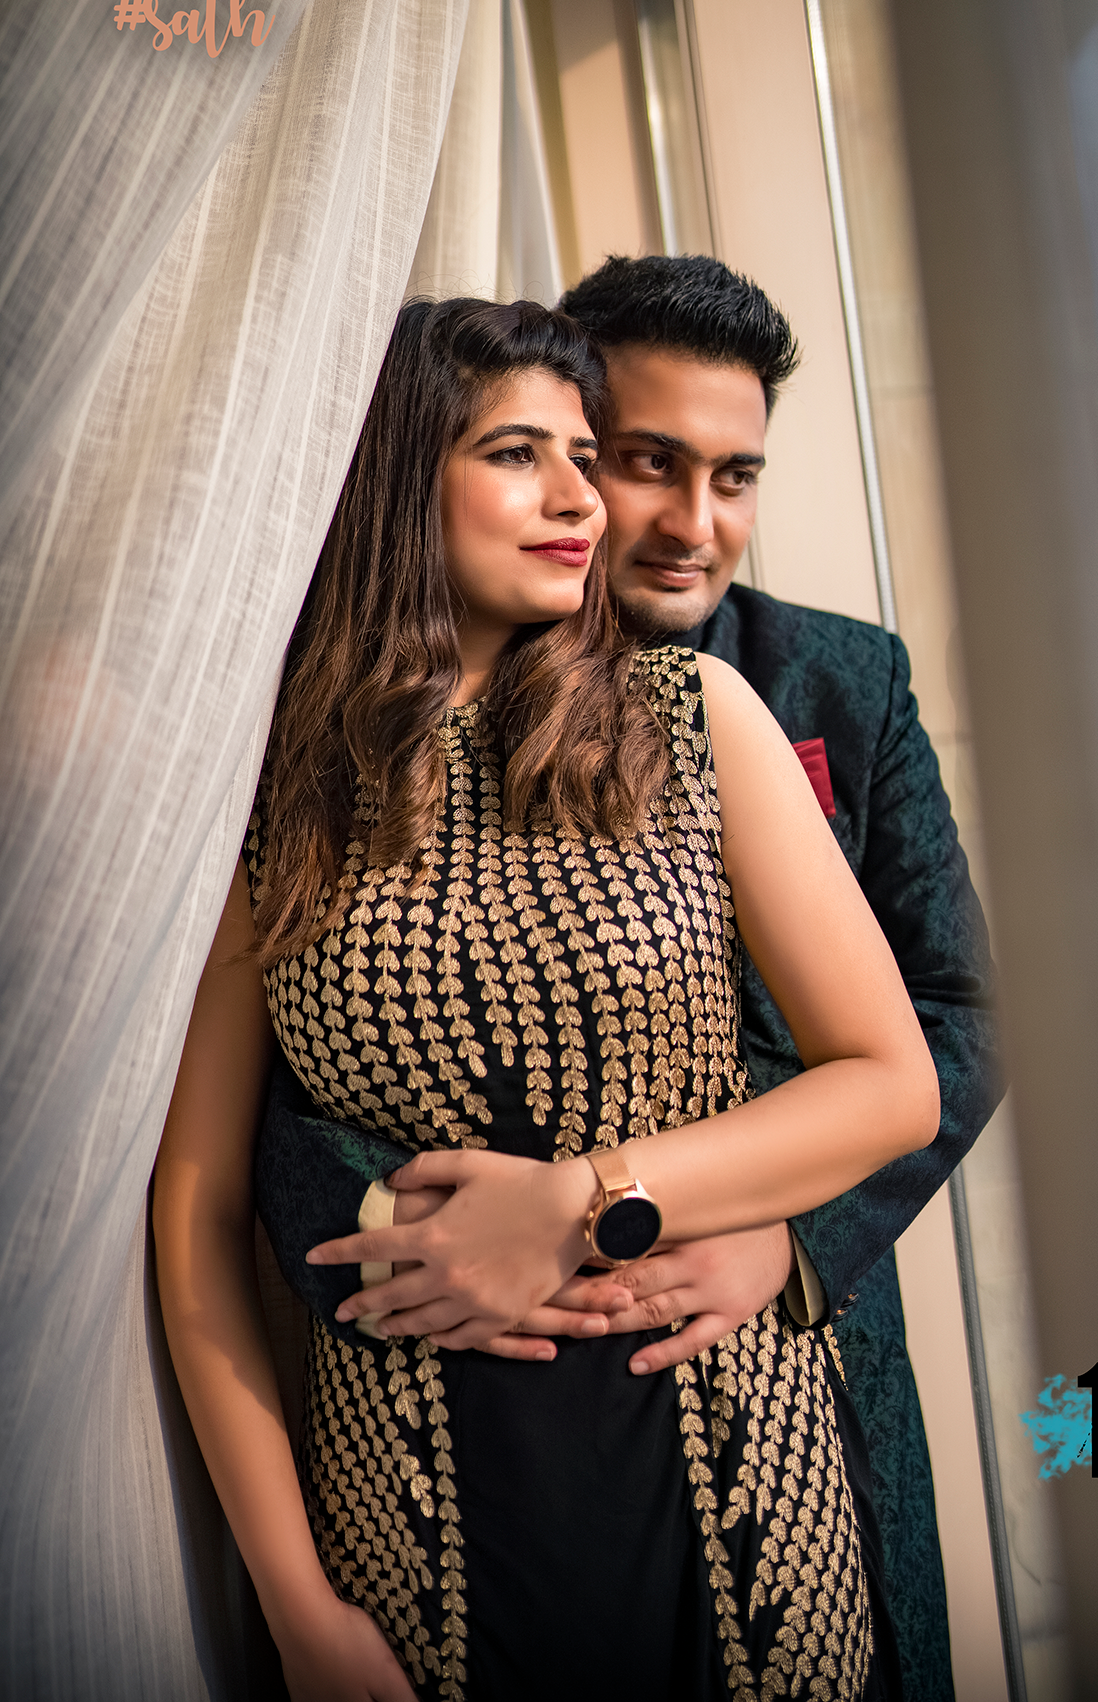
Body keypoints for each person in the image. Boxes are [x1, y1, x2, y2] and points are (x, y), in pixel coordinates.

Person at [154, 296, 940, 1702]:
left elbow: (893, 1084)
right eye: (519, 454)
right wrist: (297, 1605)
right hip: (411, 1524)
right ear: (398, 476)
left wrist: (584, 1200)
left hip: (731, 1472)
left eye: (585, 456)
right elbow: (199, 1215)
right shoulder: (273, 802)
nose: (582, 499)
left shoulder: (695, 720)